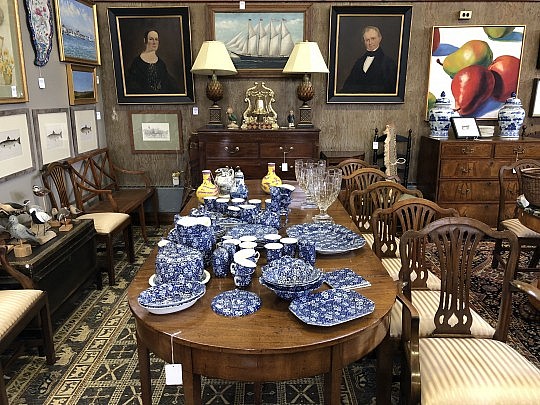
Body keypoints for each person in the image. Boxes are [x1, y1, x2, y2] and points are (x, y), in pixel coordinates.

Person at [340, 26, 397, 94]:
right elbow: (347, 86)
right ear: (364, 41)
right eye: (367, 40)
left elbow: (389, 90)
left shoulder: (388, 63)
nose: (370, 43)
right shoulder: (359, 62)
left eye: (373, 39)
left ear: (380, 38)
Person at [125, 30, 180, 94]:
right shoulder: (137, 63)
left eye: (156, 39)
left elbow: (169, 84)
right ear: (145, 41)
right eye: (151, 39)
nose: (154, 42)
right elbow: (132, 87)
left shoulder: (161, 64)